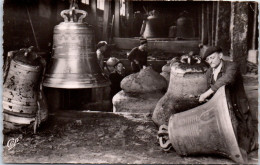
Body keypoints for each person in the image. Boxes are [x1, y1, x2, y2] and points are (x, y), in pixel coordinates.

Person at [199, 46, 257, 154]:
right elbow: (208, 90)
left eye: (212, 58)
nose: (210, 61)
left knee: (244, 143)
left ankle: (252, 142)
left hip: (237, 105)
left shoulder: (232, 66)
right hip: (224, 106)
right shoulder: (209, 73)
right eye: (208, 59)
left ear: (220, 56)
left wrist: (207, 93)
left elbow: (227, 79)